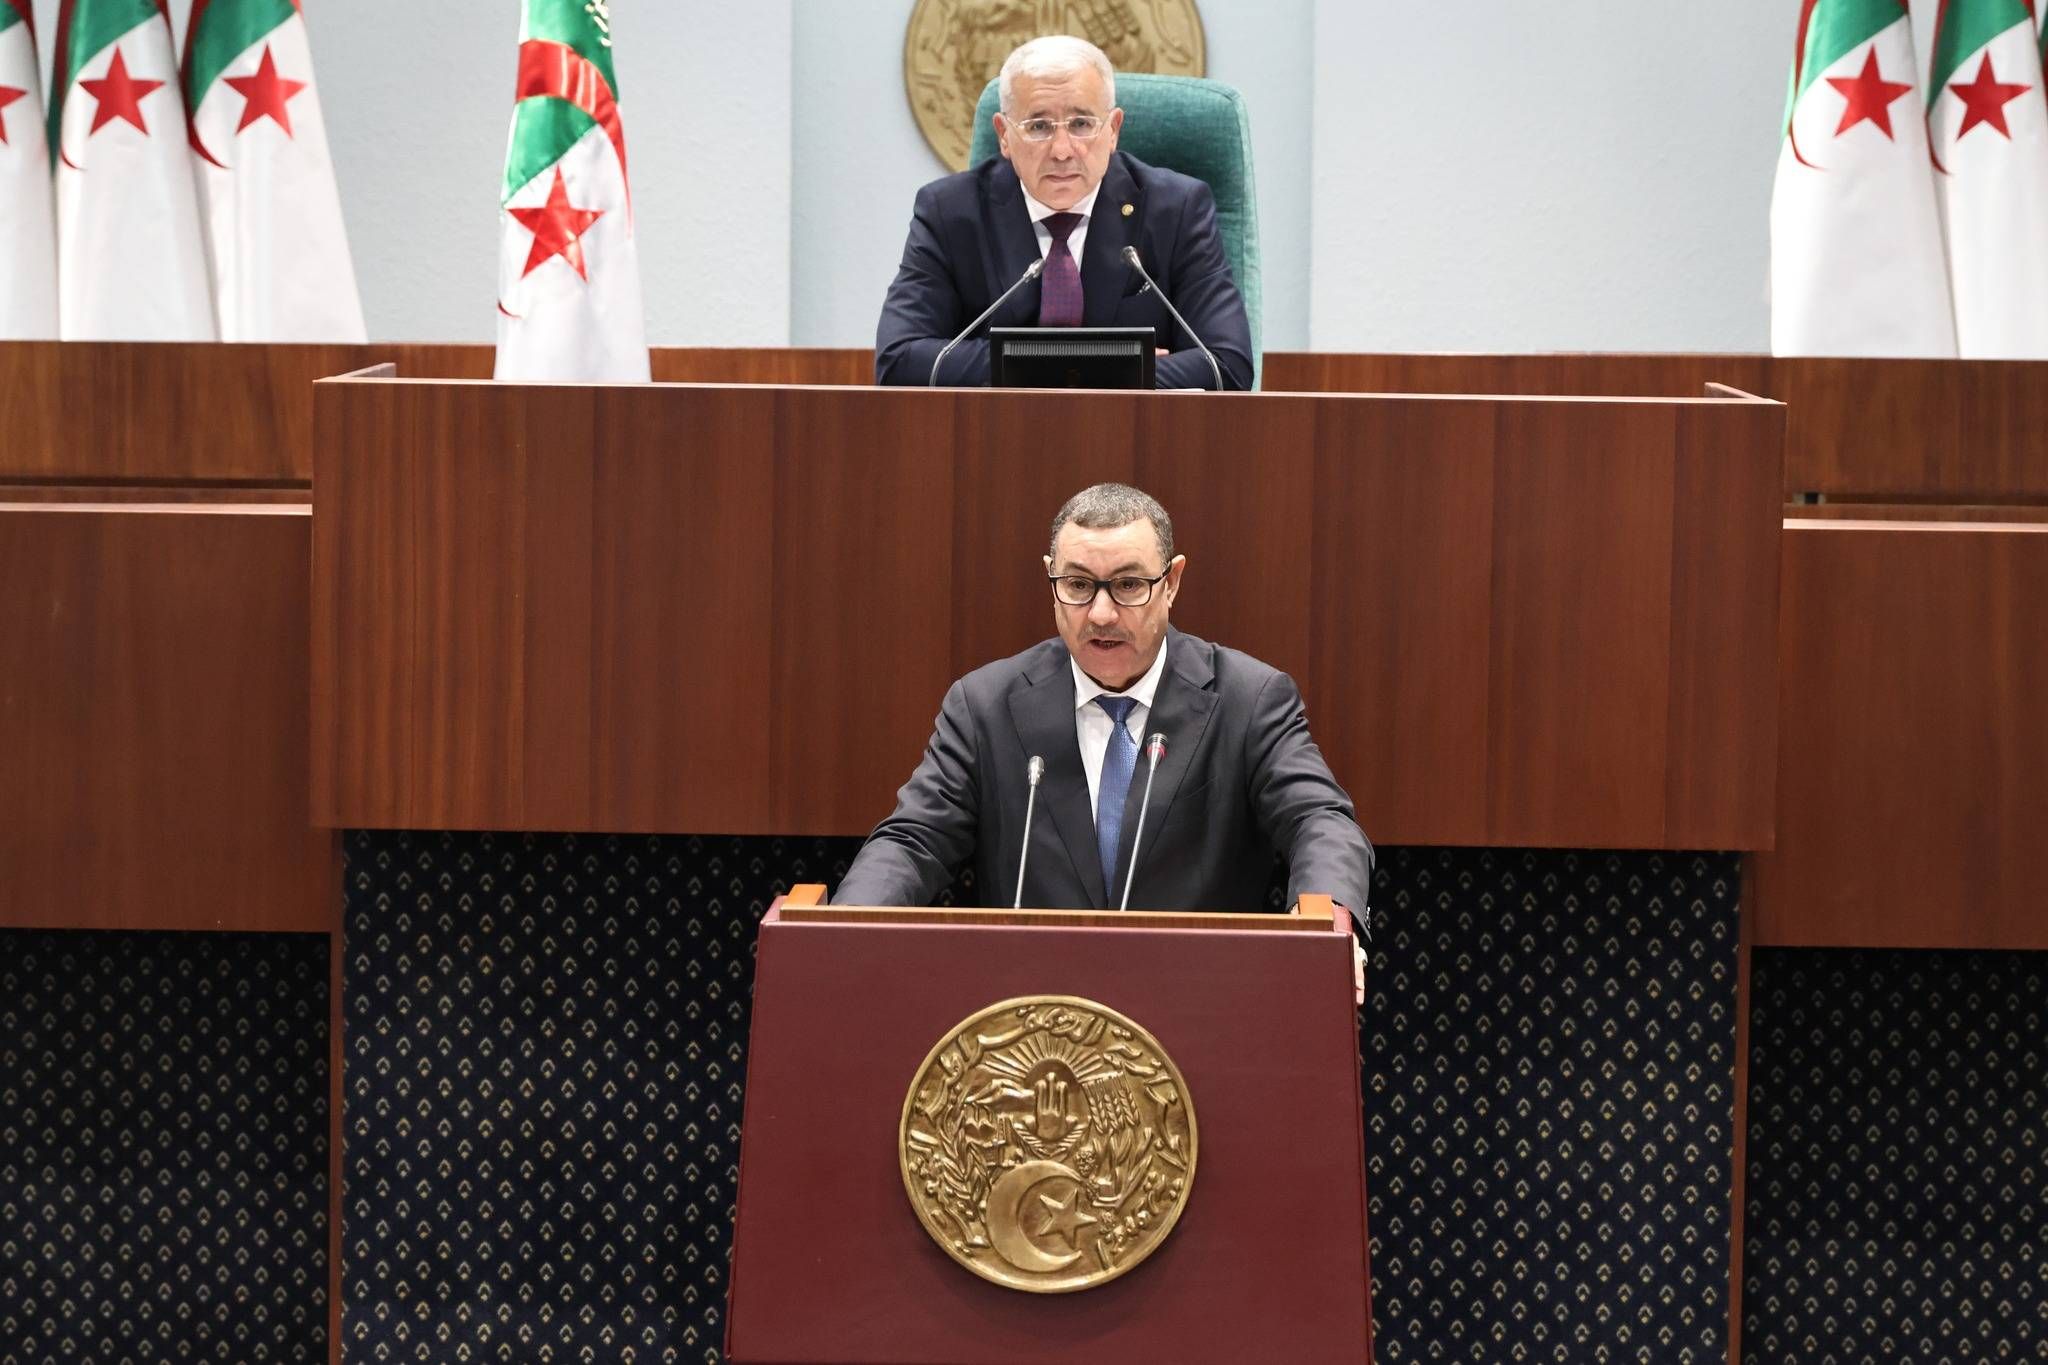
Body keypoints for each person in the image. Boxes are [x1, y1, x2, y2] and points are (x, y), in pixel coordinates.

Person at [835, 484, 1371, 938]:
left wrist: (1328, 921)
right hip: (1032, 1013)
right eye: (1077, 585)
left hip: (1198, 1005)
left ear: (1172, 582)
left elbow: (1319, 820)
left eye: (1129, 585)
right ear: (1051, 580)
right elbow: (913, 841)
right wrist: (840, 932)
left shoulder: (1248, 700)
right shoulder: (984, 706)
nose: (1101, 613)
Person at [875, 35, 1254, 390]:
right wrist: (1102, 367)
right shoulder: (950, 213)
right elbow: (898, 360)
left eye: (1081, 124)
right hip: (995, 432)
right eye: (1039, 126)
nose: (1061, 150)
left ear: (1113, 130)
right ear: (1004, 135)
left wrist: (1041, 368)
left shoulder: (1176, 209)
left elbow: (1227, 364)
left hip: (1136, 432)